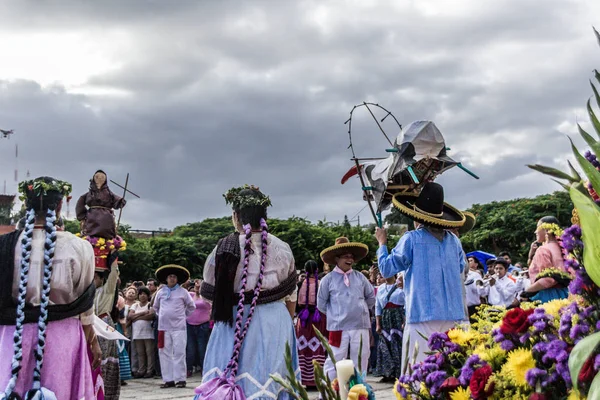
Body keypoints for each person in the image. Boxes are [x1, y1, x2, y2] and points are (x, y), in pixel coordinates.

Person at [0, 176, 99, 399]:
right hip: (62, 337)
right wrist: (92, 341)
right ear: (60, 205)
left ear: (27, 204)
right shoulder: (80, 247)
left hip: (14, 334)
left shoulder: (4, 245)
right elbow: (85, 307)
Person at [196, 185, 298, 399]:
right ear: (265, 216)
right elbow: (291, 295)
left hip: (232, 322)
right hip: (275, 324)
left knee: (233, 376)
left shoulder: (224, 248)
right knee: (274, 379)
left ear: (236, 216)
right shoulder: (282, 247)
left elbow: (208, 294)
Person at [375, 182, 468, 371]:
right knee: (453, 374)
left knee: (420, 375)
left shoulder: (411, 239)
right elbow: (460, 268)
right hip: (454, 317)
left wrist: (381, 243)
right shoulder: (454, 242)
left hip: (421, 317)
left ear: (418, 217)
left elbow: (386, 269)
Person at [317, 237, 375, 379]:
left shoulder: (360, 277)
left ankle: (359, 391)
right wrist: (336, 314)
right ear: (337, 258)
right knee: (334, 358)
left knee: (361, 358)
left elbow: (371, 298)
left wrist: (359, 310)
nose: (350, 259)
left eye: (351, 256)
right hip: (338, 327)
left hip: (360, 326)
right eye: (346, 256)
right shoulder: (327, 279)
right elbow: (321, 304)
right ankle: (329, 392)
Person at [153, 264, 196, 388]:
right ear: (166, 279)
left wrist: (183, 316)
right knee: (164, 353)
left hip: (179, 327)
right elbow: (156, 307)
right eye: (170, 277)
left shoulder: (183, 292)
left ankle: (180, 379)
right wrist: (162, 316)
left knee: (179, 352)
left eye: (174, 277)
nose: (172, 279)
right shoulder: (160, 292)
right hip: (163, 327)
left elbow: (191, 306)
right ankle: (168, 379)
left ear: (177, 279)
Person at [521, 216, 570, 303]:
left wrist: (528, 291)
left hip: (548, 296)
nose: (535, 231)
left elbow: (548, 279)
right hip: (564, 293)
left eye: (537, 228)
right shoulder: (563, 247)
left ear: (547, 230)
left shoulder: (543, 250)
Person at [295, 260, 328, 388]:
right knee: (317, 346)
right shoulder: (321, 284)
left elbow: (297, 304)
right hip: (318, 319)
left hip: (303, 320)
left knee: (304, 347)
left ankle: (304, 378)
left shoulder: (299, 284)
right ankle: (317, 378)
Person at [94, 253, 121, 399]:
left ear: (101, 279)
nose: (92, 280)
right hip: (91, 325)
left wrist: (113, 263)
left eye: (95, 277)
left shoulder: (107, 291)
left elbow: (113, 277)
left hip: (104, 323)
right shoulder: (87, 293)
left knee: (104, 358)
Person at [374, 273, 405, 382]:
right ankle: (387, 373)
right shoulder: (381, 289)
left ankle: (399, 372)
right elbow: (378, 306)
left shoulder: (401, 287)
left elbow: (406, 303)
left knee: (397, 343)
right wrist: (378, 323)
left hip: (398, 317)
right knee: (385, 344)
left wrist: (405, 320)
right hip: (386, 318)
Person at [186, 279, 212, 378]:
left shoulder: (207, 297)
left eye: (199, 285)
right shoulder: (190, 295)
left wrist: (201, 293)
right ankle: (188, 369)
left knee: (202, 349)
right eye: (196, 285)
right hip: (189, 324)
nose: (197, 287)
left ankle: (204, 368)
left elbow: (209, 306)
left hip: (203, 325)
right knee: (190, 349)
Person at [129, 286, 156, 378]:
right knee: (140, 353)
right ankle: (141, 370)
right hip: (137, 333)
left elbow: (151, 316)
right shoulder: (135, 305)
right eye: (140, 294)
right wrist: (142, 313)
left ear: (148, 295)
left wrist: (137, 317)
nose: (142, 296)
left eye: (144, 294)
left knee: (149, 352)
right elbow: (130, 316)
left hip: (148, 332)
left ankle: (150, 370)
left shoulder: (150, 305)